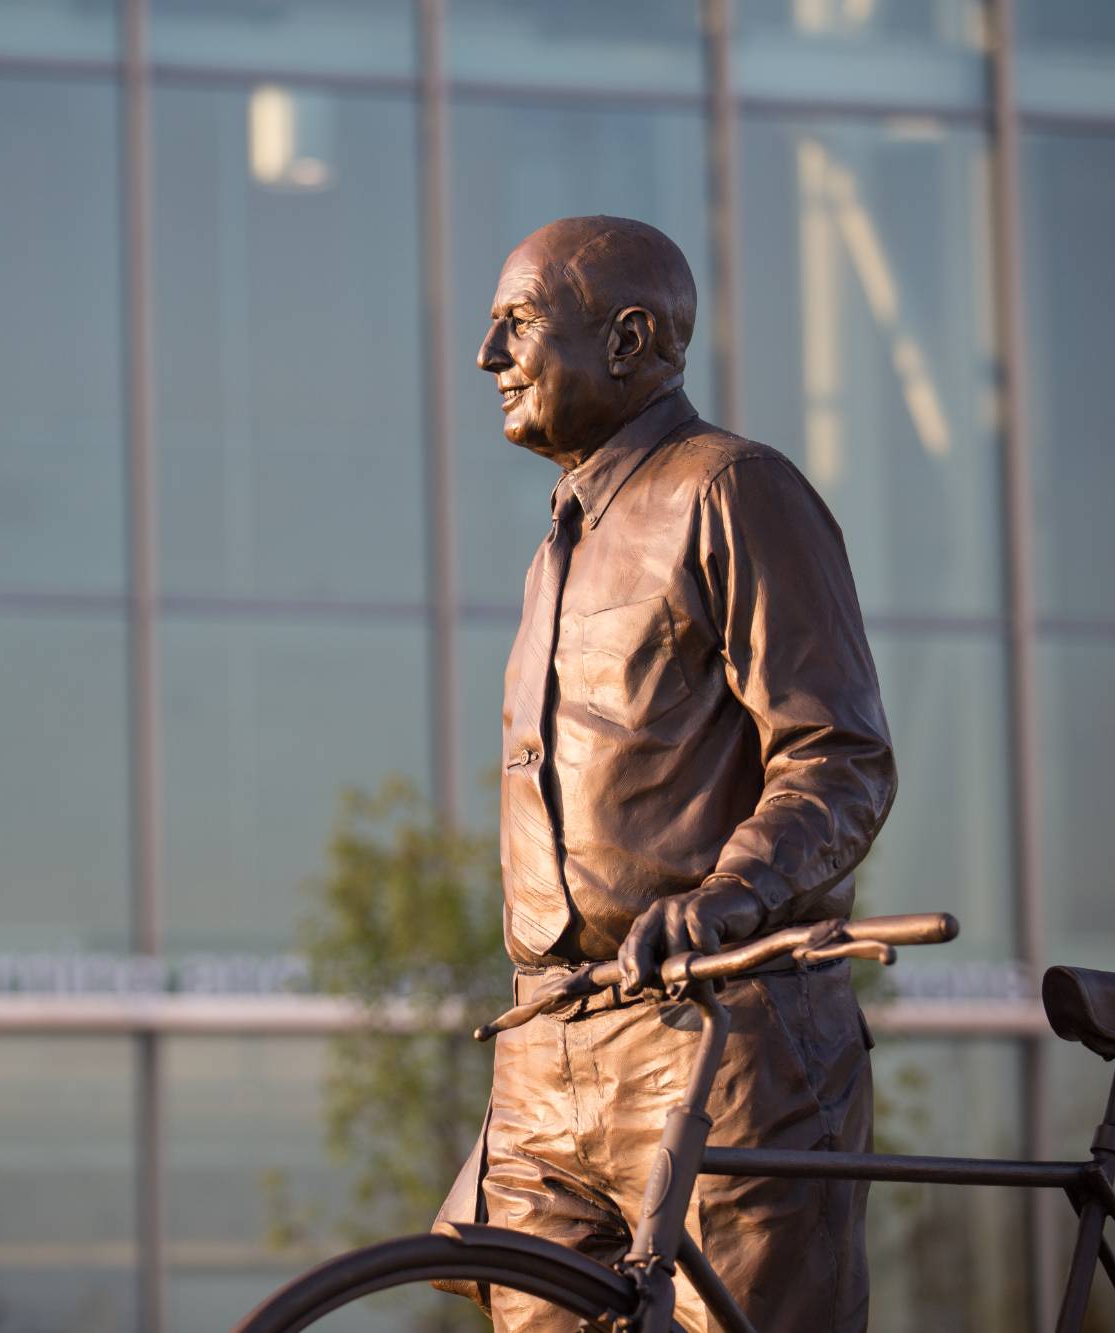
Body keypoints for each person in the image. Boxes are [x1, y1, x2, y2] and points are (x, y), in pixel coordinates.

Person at [433, 215, 898, 1332]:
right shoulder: (566, 531)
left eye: (516, 326)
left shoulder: (732, 490)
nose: (486, 359)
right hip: (547, 1042)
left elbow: (837, 757)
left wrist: (726, 896)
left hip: (715, 1041)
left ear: (629, 339)